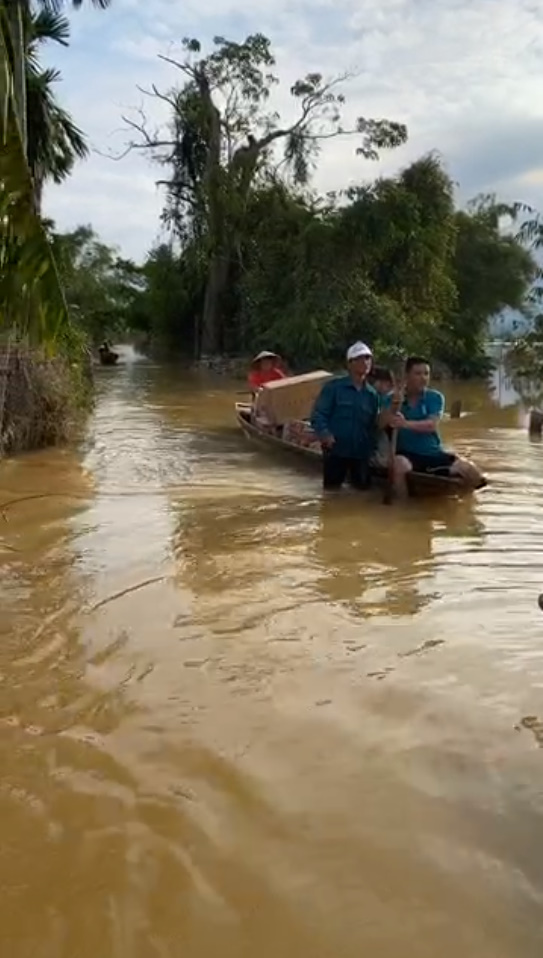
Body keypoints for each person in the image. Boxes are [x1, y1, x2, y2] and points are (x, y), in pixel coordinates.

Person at [382, 356, 483, 496]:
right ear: (407, 376)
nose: (423, 378)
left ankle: (467, 503)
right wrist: (393, 408)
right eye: (418, 374)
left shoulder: (435, 397)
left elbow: (431, 425)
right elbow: (381, 423)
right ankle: (402, 506)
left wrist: (405, 423)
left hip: (433, 453)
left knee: (471, 471)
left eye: (426, 374)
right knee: (399, 465)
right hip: (407, 454)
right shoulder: (392, 399)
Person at [310, 341, 379, 490]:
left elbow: (373, 424)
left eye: (368, 358)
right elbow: (319, 414)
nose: (365, 362)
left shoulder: (372, 394)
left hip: (361, 452)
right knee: (331, 493)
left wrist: (373, 449)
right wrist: (325, 434)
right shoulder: (334, 388)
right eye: (359, 358)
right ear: (350, 364)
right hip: (336, 450)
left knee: (361, 493)